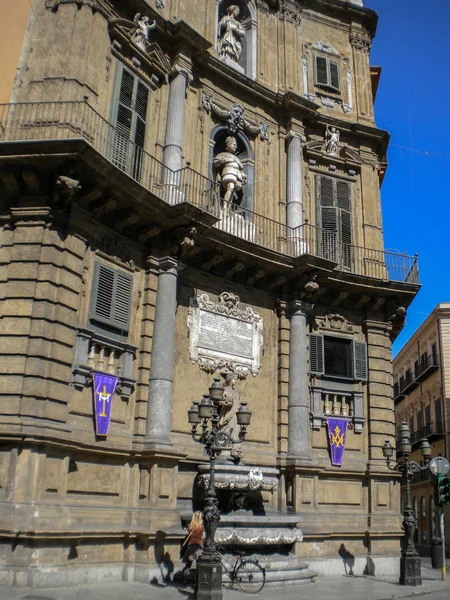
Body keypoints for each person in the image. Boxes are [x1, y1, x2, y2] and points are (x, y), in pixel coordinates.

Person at [213, 136, 247, 204]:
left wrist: (244, 176)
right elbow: (215, 163)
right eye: (234, 145)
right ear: (228, 145)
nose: (235, 147)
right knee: (230, 187)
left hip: (237, 176)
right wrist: (220, 162)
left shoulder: (237, 159)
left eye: (236, 145)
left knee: (232, 191)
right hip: (228, 173)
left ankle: (228, 209)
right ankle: (224, 206)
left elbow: (241, 170)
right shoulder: (222, 154)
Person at [181, 511, 204, 584]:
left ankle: (184, 579)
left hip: (190, 546)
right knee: (199, 566)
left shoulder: (190, 526)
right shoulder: (202, 527)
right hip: (199, 547)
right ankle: (196, 581)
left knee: (188, 565)